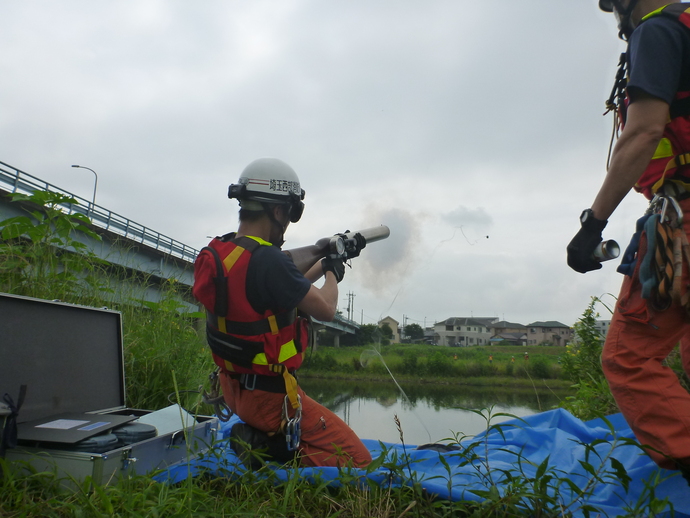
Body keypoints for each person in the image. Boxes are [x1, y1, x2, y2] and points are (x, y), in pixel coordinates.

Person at [567, 0, 690, 479]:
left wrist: (592, 225)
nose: (611, 11)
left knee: (627, 357)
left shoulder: (657, 32)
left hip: (683, 209)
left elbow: (642, 132)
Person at [193, 158, 372, 468]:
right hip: (269, 399)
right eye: (291, 213)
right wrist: (333, 274)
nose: (288, 223)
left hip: (234, 391)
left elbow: (291, 285)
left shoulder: (223, 253)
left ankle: (261, 438)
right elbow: (326, 308)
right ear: (278, 211)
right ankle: (263, 449)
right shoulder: (269, 261)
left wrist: (327, 254)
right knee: (357, 459)